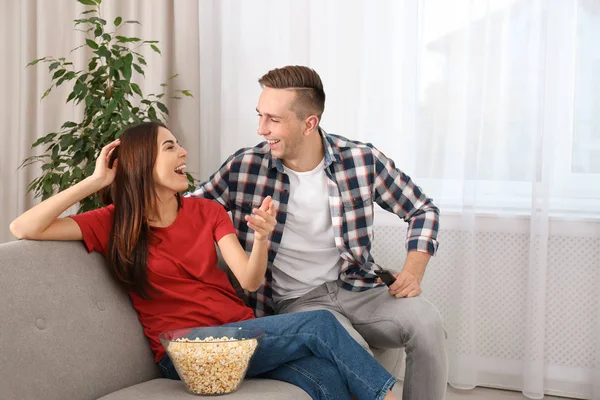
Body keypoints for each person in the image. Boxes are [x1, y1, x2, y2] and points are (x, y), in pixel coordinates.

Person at [9, 122, 398, 400]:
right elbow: (24, 227)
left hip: (240, 337)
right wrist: (95, 182)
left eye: (178, 144)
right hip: (184, 352)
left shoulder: (207, 211)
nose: (183, 153)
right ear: (143, 162)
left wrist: (262, 238)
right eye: (169, 147)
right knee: (320, 323)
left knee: (326, 375)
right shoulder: (112, 222)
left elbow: (248, 280)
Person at [190, 66, 448, 399]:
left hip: (358, 288)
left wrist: (413, 271)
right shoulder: (244, 167)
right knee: (350, 349)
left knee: (427, 323)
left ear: (309, 123)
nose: (261, 129)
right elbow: (183, 210)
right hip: (297, 304)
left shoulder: (360, 160)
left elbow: (422, 209)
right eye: (260, 116)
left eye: (274, 120)